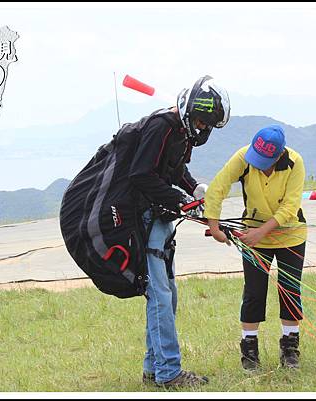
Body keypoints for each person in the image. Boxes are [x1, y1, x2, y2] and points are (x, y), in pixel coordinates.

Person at [62, 75, 230, 388]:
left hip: (158, 218)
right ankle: (168, 373)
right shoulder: (162, 127)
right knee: (161, 297)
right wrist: (179, 200)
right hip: (144, 219)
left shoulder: (180, 133)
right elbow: (141, 175)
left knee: (166, 295)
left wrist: (194, 189)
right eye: (202, 122)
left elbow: (172, 169)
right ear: (190, 113)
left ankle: (154, 370)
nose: (204, 128)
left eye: (208, 125)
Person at [203, 125, 307, 371]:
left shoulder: (295, 162)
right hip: (254, 239)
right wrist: (215, 226)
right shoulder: (244, 157)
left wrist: (261, 231)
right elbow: (218, 188)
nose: (259, 164)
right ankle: (249, 350)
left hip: (290, 235)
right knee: (253, 292)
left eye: (265, 161)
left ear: (279, 155)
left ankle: (290, 348)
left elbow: (290, 207)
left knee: (290, 290)